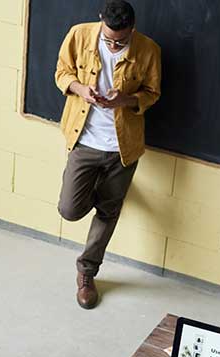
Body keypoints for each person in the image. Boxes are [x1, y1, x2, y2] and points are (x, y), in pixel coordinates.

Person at [55, 0, 162, 309]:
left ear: (133, 29)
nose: (115, 44)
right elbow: (61, 72)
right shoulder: (79, 35)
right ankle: (102, 192)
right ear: (101, 21)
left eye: (122, 40)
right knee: (69, 209)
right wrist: (79, 88)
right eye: (109, 39)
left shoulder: (148, 49)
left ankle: (87, 273)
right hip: (84, 139)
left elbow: (152, 93)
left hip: (122, 147)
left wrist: (125, 99)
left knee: (108, 211)